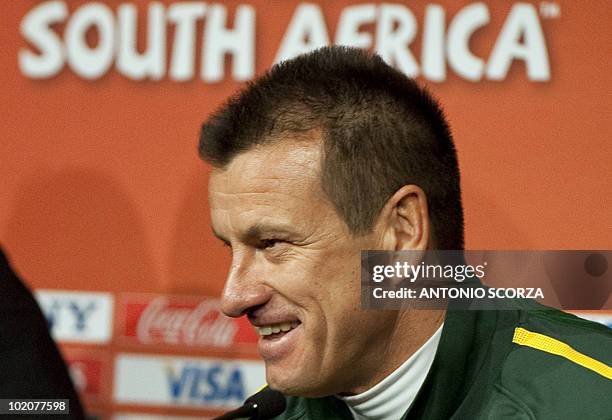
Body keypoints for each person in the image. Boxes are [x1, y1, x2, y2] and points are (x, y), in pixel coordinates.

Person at [199, 46, 611, 419]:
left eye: (271, 244)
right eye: (228, 247)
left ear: (402, 232)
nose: (233, 297)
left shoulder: (590, 399)